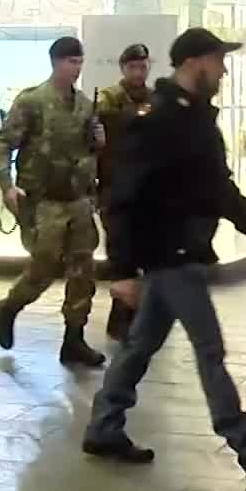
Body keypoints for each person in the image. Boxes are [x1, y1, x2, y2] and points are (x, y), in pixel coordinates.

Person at [84, 28, 246, 483]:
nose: (223, 70)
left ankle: (104, 426)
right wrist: (121, 269)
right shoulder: (159, 121)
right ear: (193, 64)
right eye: (217, 61)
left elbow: (216, 183)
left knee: (141, 345)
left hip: (183, 252)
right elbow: (123, 198)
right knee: (210, 348)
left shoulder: (197, 119)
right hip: (169, 253)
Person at [0, 36, 106, 367]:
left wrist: (98, 144)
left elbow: (87, 152)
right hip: (45, 201)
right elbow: (1, 147)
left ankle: (74, 339)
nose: (77, 67)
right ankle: (9, 306)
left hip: (79, 200)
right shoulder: (33, 101)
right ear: (56, 62)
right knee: (44, 268)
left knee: (83, 270)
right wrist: (7, 186)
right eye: (71, 61)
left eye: (80, 61)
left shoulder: (85, 105)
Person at [94, 42, 153, 341]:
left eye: (143, 67)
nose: (138, 72)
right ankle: (121, 322)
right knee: (121, 255)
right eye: (132, 67)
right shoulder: (108, 101)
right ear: (123, 69)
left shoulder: (155, 99)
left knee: (141, 252)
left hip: (145, 190)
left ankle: (129, 319)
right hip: (114, 189)